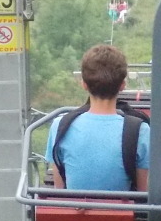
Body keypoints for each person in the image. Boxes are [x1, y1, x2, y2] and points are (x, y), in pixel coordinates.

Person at [46, 44, 151, 192]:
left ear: (84, 84)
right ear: (122, 85)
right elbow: (142, 193)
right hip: (120, 214)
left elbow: (60, 189)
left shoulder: (60, 126)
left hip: (73, 213)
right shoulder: (140, 131)